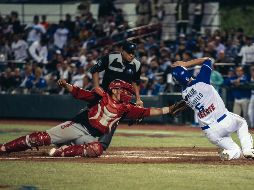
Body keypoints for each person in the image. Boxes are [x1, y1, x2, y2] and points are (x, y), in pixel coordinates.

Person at [0, 79, 174, 157]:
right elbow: (79, 93)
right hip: (77, 126)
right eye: (124, 90)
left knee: (97, 149)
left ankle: (60, 151)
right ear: (114, 90)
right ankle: (4, 148)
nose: (127, 94)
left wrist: (169, 109)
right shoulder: (100, 97)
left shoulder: (126, 108)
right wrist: (66, 85)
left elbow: (149, 111)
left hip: (90, 136)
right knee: (41, 138)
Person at [171, 57, 254, 160]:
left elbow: (187, 86)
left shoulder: (184, 94)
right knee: (242, 123)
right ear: (187, 73)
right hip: (224, 121)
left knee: (236, 151)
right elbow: (208, 60)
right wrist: (185, 64)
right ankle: (248, 149)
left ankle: (229, 153)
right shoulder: (202, 80)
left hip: (210, 132)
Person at [89, 41, 143, 149]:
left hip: (121, 99)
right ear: (122, 51)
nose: (131, 55)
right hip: (105, 93)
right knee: (90, 113)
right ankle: (75, 135)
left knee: (114, 118)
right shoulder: (110, 58)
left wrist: (138, 99)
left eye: (133, 53)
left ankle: (102, 145)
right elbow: (94, 70)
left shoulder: (136, 64)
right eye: (129, 52)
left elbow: (135, 82)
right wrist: (96, 88)